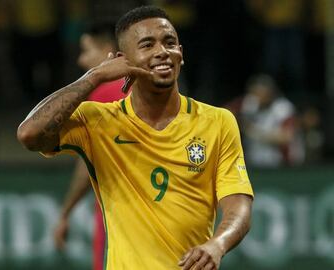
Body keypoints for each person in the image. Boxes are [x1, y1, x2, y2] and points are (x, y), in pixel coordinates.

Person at [17, 6, 253, 270]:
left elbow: (238, 208)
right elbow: (29, 134)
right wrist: (94, 76)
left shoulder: (217, 122)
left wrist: (217, 244)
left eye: (170, 43)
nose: (162, 51)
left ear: (181, 55)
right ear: (123, 60)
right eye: (147, 45)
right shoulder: (98, 120)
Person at [53, 22, 127, 270]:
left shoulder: (105, 93)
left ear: (107, 50)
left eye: (86, 51)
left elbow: (88, 164)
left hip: (116, 213)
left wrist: (65, 213)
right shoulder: (140, 89)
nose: (82, 61)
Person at [231, 74, 304, 168]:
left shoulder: (283, 108)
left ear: (270, 92)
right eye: (254, 93)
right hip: (253, 164)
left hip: (282, 165)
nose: (256, 97)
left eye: (260, 93)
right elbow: (225, 112)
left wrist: (254, 131)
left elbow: (287, 137)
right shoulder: (249, 104)